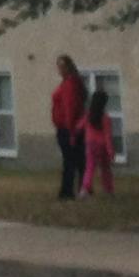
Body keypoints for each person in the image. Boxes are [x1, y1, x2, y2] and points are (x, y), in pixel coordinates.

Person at [51, 56, 87, 200]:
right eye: (58, 66)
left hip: (68, 128)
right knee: (76, 160)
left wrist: (71, 131)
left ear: (68, 67)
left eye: (62, 66)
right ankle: (81, 188)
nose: (59, 69)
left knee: (71, 161)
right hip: (66, 127)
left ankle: (68, 191)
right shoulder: (66, 82)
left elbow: (69, 108)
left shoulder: (70, 84)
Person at [79, 88, 116, 198]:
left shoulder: (88, 116)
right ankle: (108, 190)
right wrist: (111, 152)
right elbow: (107, 136)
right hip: (102, 146)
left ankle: (85, 189)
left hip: (90, 145)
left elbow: (79, 127)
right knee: (105, 169)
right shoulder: (105, 118)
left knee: (89, 167)